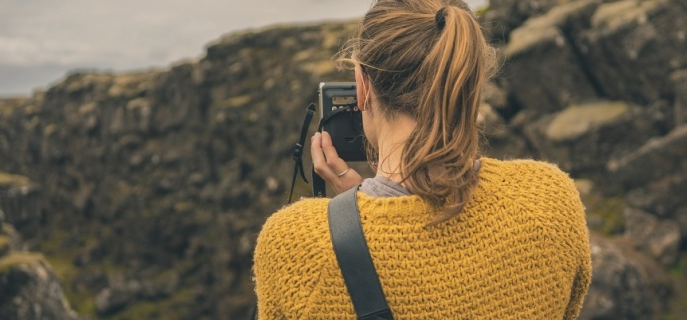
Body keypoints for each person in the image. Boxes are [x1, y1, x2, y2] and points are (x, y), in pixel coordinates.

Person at [253, 0, 592, 318]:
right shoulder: (548, 200)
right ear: (471, 81)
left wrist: (349, 216)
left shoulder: (295, 245)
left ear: (362, 86)